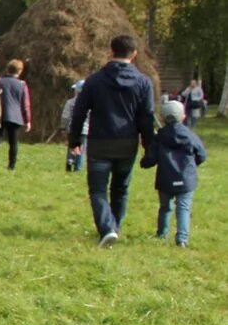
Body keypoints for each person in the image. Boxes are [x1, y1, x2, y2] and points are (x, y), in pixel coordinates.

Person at [70, 35, 156, 247]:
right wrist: (148, 144)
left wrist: (74, 140)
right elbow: (147, 116)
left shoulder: (94, 81)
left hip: (100, 141)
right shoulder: (144, 83)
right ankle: (114, 227)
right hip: (127, 142)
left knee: (98, 189)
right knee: (121, 188)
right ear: (134, 55)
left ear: (111, 51)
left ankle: (107, 229)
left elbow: (79, 112)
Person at [140, 100, 206, 247]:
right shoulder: (190, 135)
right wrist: (192, 165)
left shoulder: (159, 137)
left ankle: (162, 233)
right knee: (183, 208)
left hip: (165, 179)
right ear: (182, 116)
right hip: (186, 179)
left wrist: (144, 162)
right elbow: (202, 154)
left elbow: (150, 160)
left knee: (165, 207)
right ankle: (182, 239)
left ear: (163, 118)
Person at [0, 59, 31, 171]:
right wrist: (28, 120)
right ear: (19, 71)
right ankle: (11, 166)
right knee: (13, 143)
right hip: (15, 117)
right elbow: (25, 104)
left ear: (8, 69)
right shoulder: (22, 85)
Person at [61, 80, 86, 172]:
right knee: (81, 148)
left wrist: (63, 127)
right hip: (85, 129)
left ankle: (69, 161)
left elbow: (65, 116)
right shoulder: (90, 103)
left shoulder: (70, 102)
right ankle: (78, 168)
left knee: (71, 146)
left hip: (71, 128)